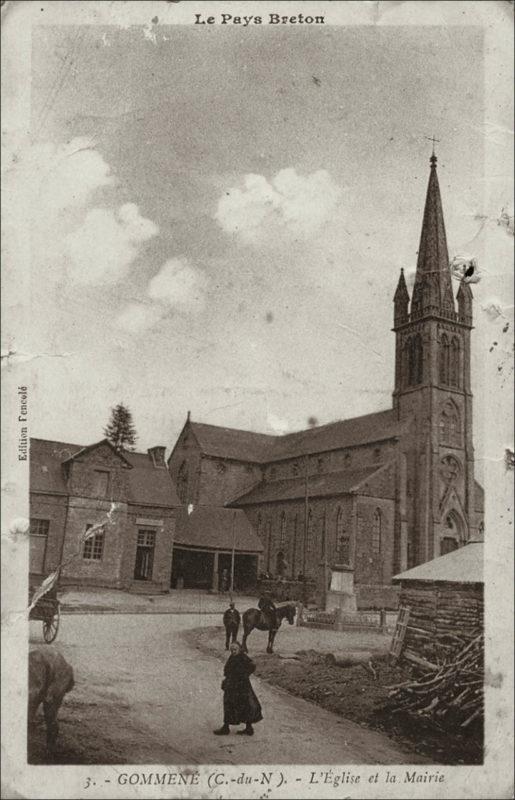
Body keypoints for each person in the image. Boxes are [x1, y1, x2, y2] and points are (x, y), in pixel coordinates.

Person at [213, 642, 263, 736]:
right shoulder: (232, 657)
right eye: (231, 649)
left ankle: (246, 728)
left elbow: (252, 666)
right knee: (229, 704)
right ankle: (227, 727)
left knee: (245, 705)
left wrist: (244, 675)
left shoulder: (243, 657)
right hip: (231, 685)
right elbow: (227, 669)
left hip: (242, 686)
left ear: (240, 649)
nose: (233, 651)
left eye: (235, 649)